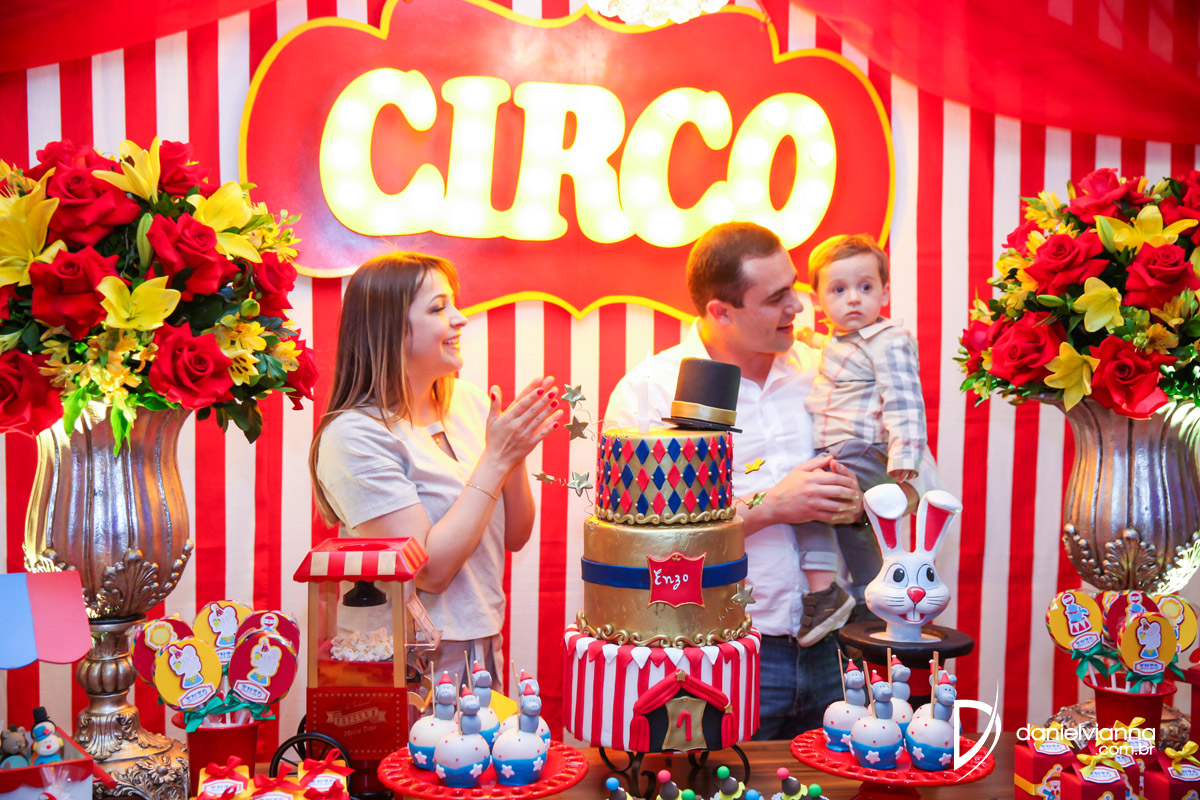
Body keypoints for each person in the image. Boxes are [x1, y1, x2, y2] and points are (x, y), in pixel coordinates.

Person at [606, 221, 862, 738]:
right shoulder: (650, 393)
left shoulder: (826, 372)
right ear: (720, 312)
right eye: (775, 298)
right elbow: (634, 546)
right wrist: (772, 505)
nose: (797, 307)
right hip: (719, 651)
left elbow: (891, 485)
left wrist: (860, 504)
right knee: (726, 777)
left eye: (793, 287)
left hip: (839, 644)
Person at [309, 252, 562, 684]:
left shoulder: (469, 402)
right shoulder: (353, 437)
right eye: (439, 308)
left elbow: (517, 534)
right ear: (390, 329)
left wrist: (514, 452)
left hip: (483, 642)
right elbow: (429, 571)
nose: (460, 319)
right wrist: (496, 457)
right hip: (406, 660)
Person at [796, 234, 926, 614]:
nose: (853, 298)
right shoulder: (841, 342)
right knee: (856, 528)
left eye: (865, 287)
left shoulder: (889, 340)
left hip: (860, 447)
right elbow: (842, 359)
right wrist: (812, 339)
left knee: (807, 498)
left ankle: (825, 592)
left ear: (885, 293)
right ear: (818, 301)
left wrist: (905, 455)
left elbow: (904, 398)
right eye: (839, 290)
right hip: (841, 447)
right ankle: (874, 597)